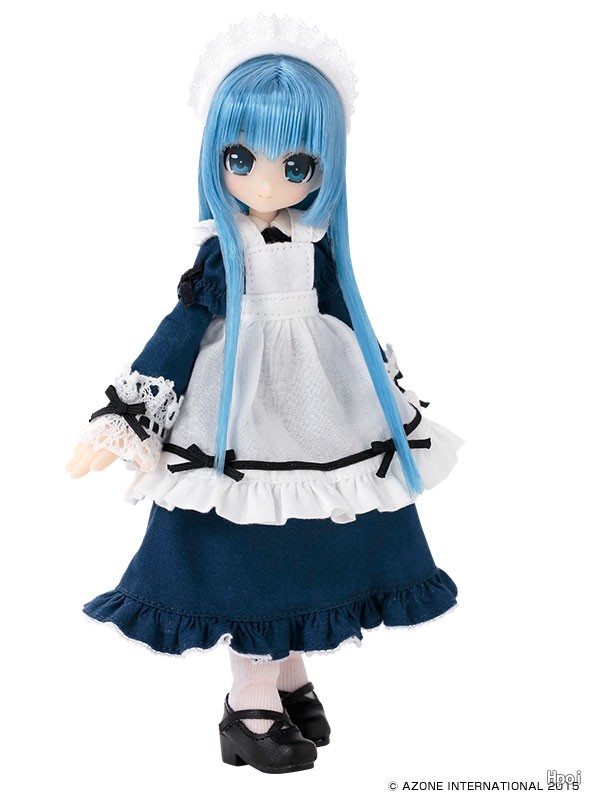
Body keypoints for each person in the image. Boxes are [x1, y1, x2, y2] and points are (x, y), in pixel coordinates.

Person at [66, 15, 463, 775]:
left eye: (298, 163)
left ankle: (288, 676)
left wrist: (385, 399)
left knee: (317, 534)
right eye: (242, 159)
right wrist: (125, 420)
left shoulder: (317, 247)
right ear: (216, 156)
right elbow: (183, 330)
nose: (268, 182)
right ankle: (249, 700)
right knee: (246, 547)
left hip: (322, 409)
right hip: (237, 416)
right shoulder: (223, 254)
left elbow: (347, 319)